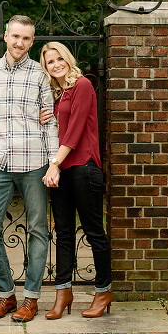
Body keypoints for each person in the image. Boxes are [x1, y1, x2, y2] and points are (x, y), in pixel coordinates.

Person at [0, 15, 60, 323]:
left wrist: (53, 163)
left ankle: (31, 299)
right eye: (15, 36)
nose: (19, 43)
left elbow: (50, 120)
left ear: (31, 41)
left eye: (26, 38)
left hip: (34, 163)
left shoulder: (40, 75)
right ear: (5, 36)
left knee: (38, 229)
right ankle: (6, 294)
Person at [39, 41, 112, 319]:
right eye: (50, 62)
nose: (56, 65)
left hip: (83, 168)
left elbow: (75, 130)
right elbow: (55, 131)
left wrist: (54, 164)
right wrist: (44, 116)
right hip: (62, 170)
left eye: (59, 59)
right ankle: (63, 292)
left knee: (94, 232)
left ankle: (103, 291)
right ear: (46, 67)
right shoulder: (56, 95)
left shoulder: (82, 85)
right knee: (64, 233)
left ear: (67, 59)